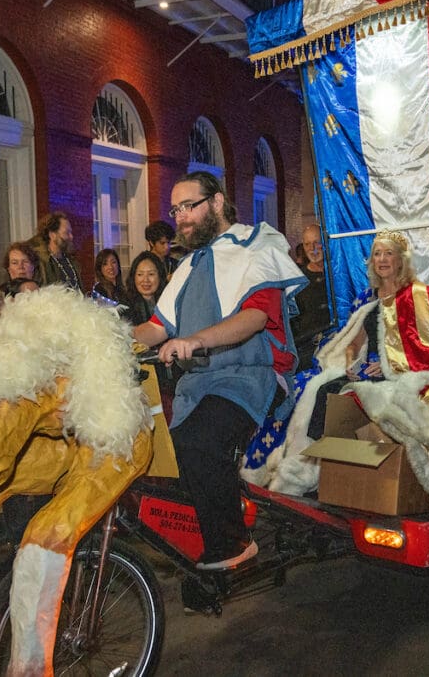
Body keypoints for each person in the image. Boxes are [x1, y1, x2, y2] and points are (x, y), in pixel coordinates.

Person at [133, 171, 305, 571]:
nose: (180, 218)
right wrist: (110, 336)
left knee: (200, 441)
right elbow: (156, 328)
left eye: (187, 206)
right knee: (168, 450)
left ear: (216, 202)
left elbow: (255, 318)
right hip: (203, 382)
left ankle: (232, 544)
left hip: (254, 375)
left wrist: (194, 341)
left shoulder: (256, 247)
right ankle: (213, 529)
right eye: (175, 210)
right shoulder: (188, 265)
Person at [269, 231, 429, 506]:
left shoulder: (418, 294)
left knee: (342, 397)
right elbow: (356, 342)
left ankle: (325, 470)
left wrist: (391, 366)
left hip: (401, 373)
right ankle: (313, 468)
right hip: (369, 371)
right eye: (377, 254)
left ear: (401, 260)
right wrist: (355, 362)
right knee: (321, 388)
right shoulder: (367, 297)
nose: (382, 259)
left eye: (389, 254)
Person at [290, 224, 332, 370]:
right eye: (307, 244)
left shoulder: (339, 274)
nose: (312, 248)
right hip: (307, 353)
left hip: (337, 349)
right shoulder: (297, 280)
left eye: (317, 242)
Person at [29, 211, 82, 290]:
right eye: (66, 233)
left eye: (70, 232)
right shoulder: (40, 262)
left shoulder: (70, 260)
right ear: (52, 235)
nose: (71, 237)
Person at [122, 251, 167, 326]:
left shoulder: (169, 301)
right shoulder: (124, 306)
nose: (145, 280)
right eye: (140, 274)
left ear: (160, 276)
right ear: (133, 277)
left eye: (151, 274)